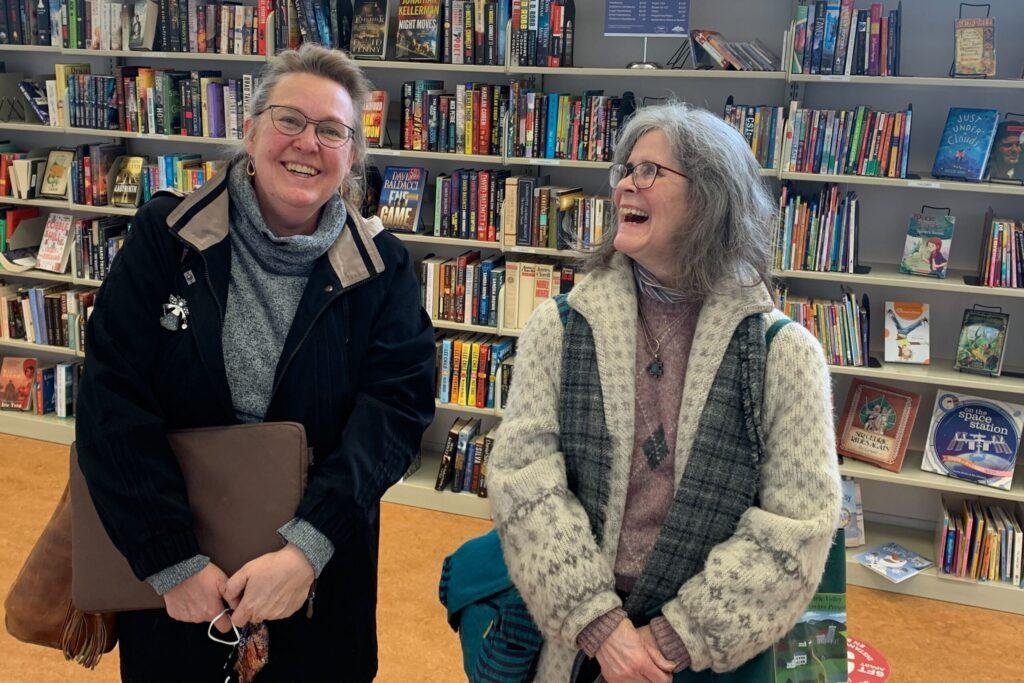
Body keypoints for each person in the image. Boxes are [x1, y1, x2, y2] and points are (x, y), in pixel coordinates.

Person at [75, 43, 435, 681]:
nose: (307, 143)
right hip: (181, 576)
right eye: (288, 119)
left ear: (352, 156)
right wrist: (172, 562)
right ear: (249, 130)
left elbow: (395, 414)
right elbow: (110, 399)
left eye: (332, 131)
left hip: (320, 578)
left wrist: (307, 551)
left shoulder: (385, 268)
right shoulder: (167, 237)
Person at [488, 102, 841, 682]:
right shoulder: (559, 327)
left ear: (709, 198)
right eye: (625, 168)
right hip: (577, 638)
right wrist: (601, 628)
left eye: (650, 170)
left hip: (710, 658)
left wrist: (672, 640)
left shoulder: (785, 354)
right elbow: (523, 481)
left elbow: (798, 526)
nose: (627, 182)